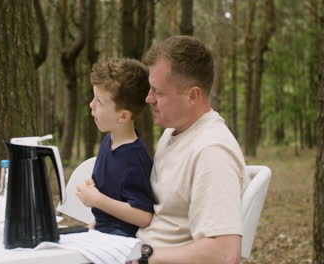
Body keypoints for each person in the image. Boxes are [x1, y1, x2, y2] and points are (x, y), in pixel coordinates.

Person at [135, 35, 250, 264]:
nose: (149, 99)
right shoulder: (171, 135)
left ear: (192, 95)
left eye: (158, 92)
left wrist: (144, 256)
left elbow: (224, 253)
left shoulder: (212, 151)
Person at [76, 58, 154, 238]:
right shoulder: (108, 142)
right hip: (101, 234)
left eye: (99, 102)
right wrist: (97, 221)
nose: (91, 105)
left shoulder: (134, 159)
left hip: (121, 247)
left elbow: (144, 216)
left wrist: (97, 200)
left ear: (123, 116)